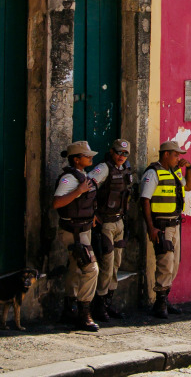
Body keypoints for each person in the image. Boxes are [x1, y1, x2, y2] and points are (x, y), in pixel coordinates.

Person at [140, 140, 191, 318]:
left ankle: (165, 299)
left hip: (175, 223)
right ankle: (160, 303)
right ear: (166, 154)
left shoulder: (174, 172)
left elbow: (188, 186)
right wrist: (151, 227)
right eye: (176, 155)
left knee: (174, 264)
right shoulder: (153, 173)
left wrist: (189, 169)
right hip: (161, 226)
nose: (178, 158)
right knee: (165, 263)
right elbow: (145, 200)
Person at [52, 141, 101, 331]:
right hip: (74, 232)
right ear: (76, 159)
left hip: (83, 230)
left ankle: (69, 310)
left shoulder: (83, 175)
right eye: (86, 156)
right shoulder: (69, 179)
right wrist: (78, 191)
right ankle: (84, 314)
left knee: (75, 269)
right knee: (91, 269)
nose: (90, 158)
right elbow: (57, 203)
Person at [88, 139, 133, 322]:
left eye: (125, 154)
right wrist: (92, 213)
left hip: (119, 222)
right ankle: (98, 306)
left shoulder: (125, 170)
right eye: (118, 152)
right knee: (106, 265)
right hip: (105, 223)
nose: (121, 156)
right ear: (111, 151)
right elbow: (88, 187)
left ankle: (108, 303)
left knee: (116, 264)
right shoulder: (104, 168)